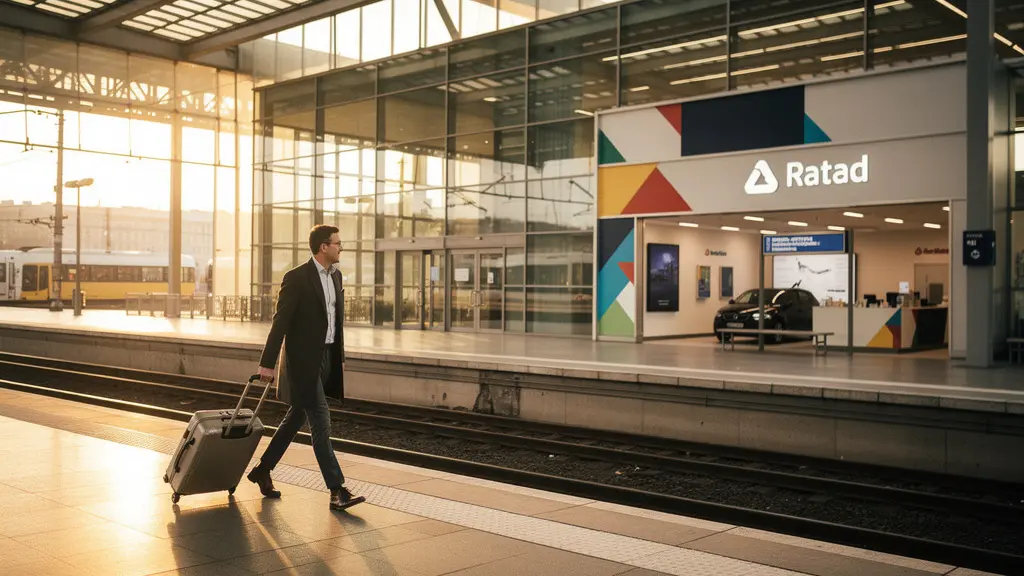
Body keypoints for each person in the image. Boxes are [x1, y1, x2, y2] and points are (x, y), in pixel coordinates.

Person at [246, 224, 365, 511]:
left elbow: (335, 320)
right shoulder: (297, 278)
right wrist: (267, 363)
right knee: (321, 422)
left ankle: (262, 470)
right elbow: (281, 322)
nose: (341, 248)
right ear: (323, 247)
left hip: (326, 358)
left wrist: (340, 357)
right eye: (338, 243)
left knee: (295, 419)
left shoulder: (336, 277)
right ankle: (337, 490)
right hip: (302, 362)